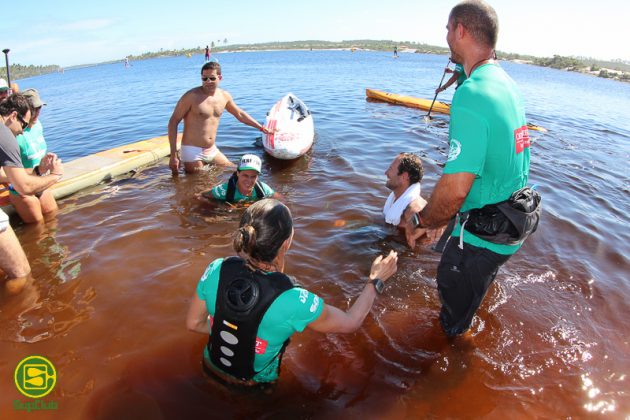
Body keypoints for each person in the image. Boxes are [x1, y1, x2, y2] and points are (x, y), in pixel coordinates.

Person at [403, 0, 537, 337]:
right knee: (472, 297)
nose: (446, 35)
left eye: (448, 29)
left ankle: (456, 361)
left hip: (485, 235)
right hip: (512, 221)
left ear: (461, 30)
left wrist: (423, 220)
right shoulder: (504, 81)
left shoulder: (472, 94)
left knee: (452, 323)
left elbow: (457, 186)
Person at [187, 199, 398, 387]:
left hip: (210, 370)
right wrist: (375, 280)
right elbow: (351, 322)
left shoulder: (216, 268)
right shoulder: (295, 300)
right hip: (253, 387)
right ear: (287, 243)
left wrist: (232, 331)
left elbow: (194, 324)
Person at [0, 94, 64, 294]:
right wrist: (55, 175)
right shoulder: (5, 135)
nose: (23, 131)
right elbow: (23, 186)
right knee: (21, 274)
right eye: (23, 124)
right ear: (12, 116)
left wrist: (37, 170)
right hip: (21, 189)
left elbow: (12, 176)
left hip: (26, 181)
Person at [168, 61, 273, 174]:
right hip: (192, 151)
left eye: (212, 78)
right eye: (204, 78)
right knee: (202, 181)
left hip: (211, 149)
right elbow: (173, 122)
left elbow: (239, 114)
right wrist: (173, 155)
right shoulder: (191, 96)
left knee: (235, 172)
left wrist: (261, 128)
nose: (208, 81)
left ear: (220, 77)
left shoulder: (224, 96)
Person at [8, 89, 58, 223]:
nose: (37, 112)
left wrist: (47, 163)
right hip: (20, 187)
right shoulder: (12, 132)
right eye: (33, 108)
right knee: (38, 227)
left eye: (39, 107)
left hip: (38, 181)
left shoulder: (38, 126)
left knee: (53, 217)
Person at [198, 154, 281, 205]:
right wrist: (220, 206)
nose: (249, 180)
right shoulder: (224, 190)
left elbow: (281, 200)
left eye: (253, 176)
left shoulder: (263, 189)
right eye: (245, 175)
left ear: (258, 176)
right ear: (238, 173)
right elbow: (199, 196)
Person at [383, 153, 425, 228]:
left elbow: (419, 211)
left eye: (390, 169)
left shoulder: (413, 208)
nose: (386, 173)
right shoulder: (396, 198)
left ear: (404, 176)